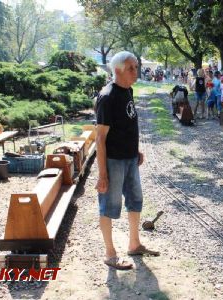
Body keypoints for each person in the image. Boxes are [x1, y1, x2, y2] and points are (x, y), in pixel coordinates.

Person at [95, 51, 159, 271]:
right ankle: (110, 254)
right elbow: (100, 139)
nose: (136, 72)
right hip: (113, 161)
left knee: (135, 200)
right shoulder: (107, 97)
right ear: (119, 70)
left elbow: (128, 124)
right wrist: (102, 174)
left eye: (136, 67)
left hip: (130, 158)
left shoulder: (128, 90)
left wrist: (136, 150)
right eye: (132, 68)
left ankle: (134, 244)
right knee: (109, 206)